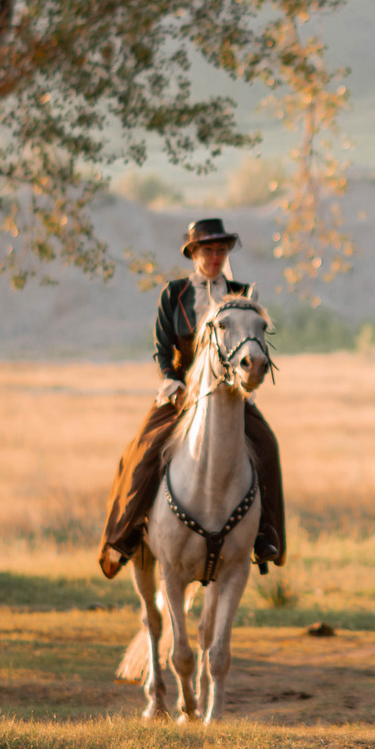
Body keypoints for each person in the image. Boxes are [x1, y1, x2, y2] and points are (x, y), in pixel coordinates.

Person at [97, 218, 286, 577]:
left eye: (221, 250)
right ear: (194, 253)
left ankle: (264, 536)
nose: (215, 257)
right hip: (180, 394)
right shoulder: (174, 293)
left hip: (231, 395)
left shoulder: (243, 295)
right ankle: (127, 534)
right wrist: (173, 382)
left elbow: (252, 344)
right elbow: (161, 349)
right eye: (208, 250)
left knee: (268, 446)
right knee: (142, 450)